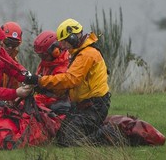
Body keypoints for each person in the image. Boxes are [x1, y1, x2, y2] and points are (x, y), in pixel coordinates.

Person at [24, 18, 110, 146]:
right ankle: (98, 132)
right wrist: (40, 87)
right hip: (83, 106)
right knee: (61, 137)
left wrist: (39, 80)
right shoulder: (79, 53)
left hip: (94, 107)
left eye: (64, 42)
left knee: (68, 140)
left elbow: (70, 80)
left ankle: (108, 134)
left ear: (72, 38)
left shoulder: (87, 55)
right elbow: (64, 86)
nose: (62, 46)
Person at [32, 30, 71, 115]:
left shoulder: (64, 66)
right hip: (46, 99)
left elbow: (56, 95)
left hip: (61, 103)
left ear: (55, 51)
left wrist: (35, 98)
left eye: (44, 55)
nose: (42, 58)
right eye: (40, 56)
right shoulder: (46, 63)